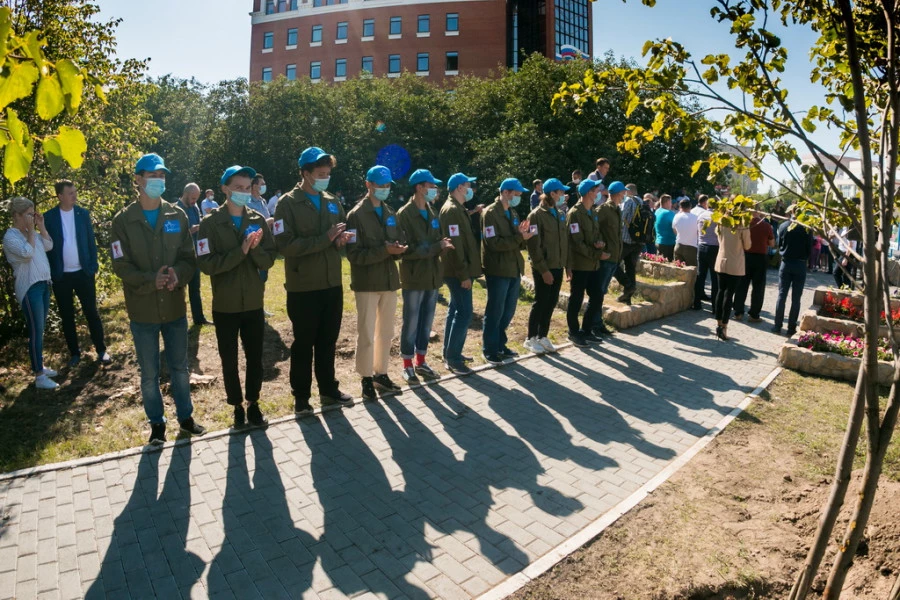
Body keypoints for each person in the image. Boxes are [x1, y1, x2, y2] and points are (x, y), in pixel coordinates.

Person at [110, 153, 206, 445]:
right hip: (143, 311)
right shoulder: (123, 220)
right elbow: (119, 264)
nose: (158, 181)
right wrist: (150, 280)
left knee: (180, 368)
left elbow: (189, 257)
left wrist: (178, 273)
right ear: (138, 180)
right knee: (149, 374)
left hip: (174, 307)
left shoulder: (176, 215)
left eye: (162, 176)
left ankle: (186, 419)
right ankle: (157, 425)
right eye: (152, 176)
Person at [273, 147, 354, 413]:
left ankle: (328, 388)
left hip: (332, 283)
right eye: (320, 174)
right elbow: (285, 245)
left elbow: (337, 234)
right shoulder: (287, 203)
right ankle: (301, 396)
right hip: (304, 286)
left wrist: (340, 240)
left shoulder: (331, 200)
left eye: (328, 174)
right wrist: (325, 239)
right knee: (304, 342)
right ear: (305, 173)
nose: (325, 178)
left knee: (328, 340)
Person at [196, 165, 277, 429]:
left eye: (246, 188)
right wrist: (241, 251)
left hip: (253, 302)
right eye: (238, 188)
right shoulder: (210, 223)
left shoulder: (257, 220)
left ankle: (253, 403)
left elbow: (268, 261)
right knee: (228, 359)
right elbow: (207, 264)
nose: (243, 192)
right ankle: (237, 407)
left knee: (255, 357)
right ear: (224, 189)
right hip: (226, 305)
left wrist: (253, 251)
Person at [346, 165, 408, 401]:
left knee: (386, 333)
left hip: (390, 281)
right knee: (367, 333)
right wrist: (385, 250)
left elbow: (399, 239)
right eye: (379, 185)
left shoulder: (390, 212)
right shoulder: (356, 215)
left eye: (387, 185)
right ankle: (365, 378)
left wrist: (399, 250)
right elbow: (354, 255)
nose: (383, 189)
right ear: (368, 185)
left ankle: (380, 373)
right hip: (367, 283)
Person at [44, 180, 111, 367]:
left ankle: (101, 350)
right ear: (60, 196)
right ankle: (74, 353)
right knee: (67, 316)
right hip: (61, 276)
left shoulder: (83, 214)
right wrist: (53, 272)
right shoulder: (48, 217)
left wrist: (92, 266)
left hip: (83, 273)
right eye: (70, 193)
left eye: (75, 192)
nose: (74, 195)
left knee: (92, 312)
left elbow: (91, 242)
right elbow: (46, 245)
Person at [397, 169, 453, 382]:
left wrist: (442, 246)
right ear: (419, 187)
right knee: (411, 321)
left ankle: (421, 361)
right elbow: (407, 250)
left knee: (427, 322)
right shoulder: (404, 214)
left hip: (432, 276)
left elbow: (436, 239)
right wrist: (435, 247)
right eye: (431, 186)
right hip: (414, 277)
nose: (434, 190)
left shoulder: (432, 212)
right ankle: (407, 364)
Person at [3, 197, 59, 390]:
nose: (31, 217)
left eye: (32, 213)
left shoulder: (31, 232)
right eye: (28, 214)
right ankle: (39, 375)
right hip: (29, 288)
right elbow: (27, 253)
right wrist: (31, 234)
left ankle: (40, 366)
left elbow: (49, 245)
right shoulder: (11, 237)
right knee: (35, 331)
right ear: (17, 215)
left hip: (44, 284)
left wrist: (40, 227)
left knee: (40, 330)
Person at [481, 178, 534, 364]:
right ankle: (489, 349)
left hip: (513, 267)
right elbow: (493, 243)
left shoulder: (512, 213)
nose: (518, 198)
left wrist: (523, 236)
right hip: (498, 268)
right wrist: (518, 237)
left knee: (508, 310)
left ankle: (500, 344)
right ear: (505, 192)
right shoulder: (489, 213)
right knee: (495, 310)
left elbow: (516, 238)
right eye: (517, 194)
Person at [440, 172, 481, 375]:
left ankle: (450, 352)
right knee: (464, 313)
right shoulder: (451, 211)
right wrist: (464, 274)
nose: (471, 189)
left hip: (460, 270)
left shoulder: (458, 208)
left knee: (455, 310)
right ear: (458, 188)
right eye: (468, 185)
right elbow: (455, 245)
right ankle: (453, 358)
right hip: (457, 272)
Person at [524, 178, 569, 354]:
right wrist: (543, 270)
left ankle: (543, 336)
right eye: (561, 192)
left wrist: (567, 266)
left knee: (551, 302)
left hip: (557, 266)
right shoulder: (536, 215)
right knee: (541, 302)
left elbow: (563, 242)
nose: (563, 195)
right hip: (544, 268)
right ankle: (530, 338)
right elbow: (534, 247)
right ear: (552, 193)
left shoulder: (559, 214)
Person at [566, 179, 608, 347]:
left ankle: (587, 330)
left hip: (593, 263)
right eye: (596, 190)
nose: (598, 192)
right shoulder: (575, 213)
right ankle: (573, 332)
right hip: (580, 263)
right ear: (588, 192)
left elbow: (596, 234)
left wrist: (599, 244)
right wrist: (595, 253)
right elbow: (576, 242)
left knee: (597, 296)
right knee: (576, 298)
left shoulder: (592, 211)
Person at [773, 206, 813, 336]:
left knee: (782, 295)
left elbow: (780, 244)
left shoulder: (783, 226)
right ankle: (791, 328)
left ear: (791, 212)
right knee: (796, 298)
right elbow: (809, 248)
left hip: (786, 262)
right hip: (800, 264)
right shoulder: (807, 228)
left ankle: (777, 325)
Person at [175, 182, 212, 327]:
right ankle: (179, 321)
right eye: (193, 198)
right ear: (186, 194)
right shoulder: (175, 209)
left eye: (196, 198)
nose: (195, 201)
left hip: (195, 254)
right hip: (180, 257)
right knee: (179, 290)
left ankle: (199, 318)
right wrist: (192, 230)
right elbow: (175, 236)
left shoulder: (194, 208)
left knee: (195, 288)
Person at [593, 180, 626, 335]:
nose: (624, 194)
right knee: (598, 293)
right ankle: (594, 324)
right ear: (617, 193)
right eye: (623, 192)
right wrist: (601, 248)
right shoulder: (604, 209)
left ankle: (598, 324)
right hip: (606, 257)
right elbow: (595, 229)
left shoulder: (616, 209)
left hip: (614, 257)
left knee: (602, 292)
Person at [713, 219, 751, 340]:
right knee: (729, 295)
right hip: (735, 263)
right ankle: (724, 326)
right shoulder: (743, 225)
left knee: (721, 291)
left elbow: (719, 238)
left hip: (721, 260)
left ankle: (718, 324)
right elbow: (748, 245)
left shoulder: (721, 221)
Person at [733, 210, 774, 322]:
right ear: (759, 212)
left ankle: (738, 312)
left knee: (741, 284)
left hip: (745, 256)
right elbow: (772, 243)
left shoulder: (744, 224)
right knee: (758, 287)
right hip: (760, 258)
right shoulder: (766, 226)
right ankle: (754, 315)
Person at [247, 173, 275, 317]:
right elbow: (255, 222)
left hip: (265, 244)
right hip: (254, 245)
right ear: (253, 186)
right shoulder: (247, 202)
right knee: (255, 279)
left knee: (263, 277)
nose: (264, 186)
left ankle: (260, 308)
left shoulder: (263, 201)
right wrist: (268, 221)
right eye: (261, 184)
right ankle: (254, 310)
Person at [612, 181, 641, 305]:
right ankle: (627, 296)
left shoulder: (629, 201)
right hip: (639, 241)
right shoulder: (642, 202)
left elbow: (620, 216)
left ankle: (628, 285)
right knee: (631, 268)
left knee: (613, 264)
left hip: (627, 240)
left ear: (628, 191)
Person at [693, 195, 719, 308]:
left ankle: (697, 302)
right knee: (715, 278)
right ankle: (715, 306)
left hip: (701, 246)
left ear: (707, 205)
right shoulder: (718, 217)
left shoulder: (701, 215)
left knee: (700, 276)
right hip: (714, 248)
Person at [672, 198, 700, 269]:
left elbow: (674, 229)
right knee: (691, 271)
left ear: (680, 207)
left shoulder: (676, 216)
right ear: (690, 206)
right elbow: (698, 232)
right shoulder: (696, 218)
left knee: (678, 269)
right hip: (691, 247)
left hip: (678, 245)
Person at [654, 194, 676, 261]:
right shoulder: (669, 213)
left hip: (658, 241)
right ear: (667, 202)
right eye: (671, 202)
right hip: (669, 243)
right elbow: (677, 226)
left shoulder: (656, 212)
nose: (671, 204)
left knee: (660, 264)